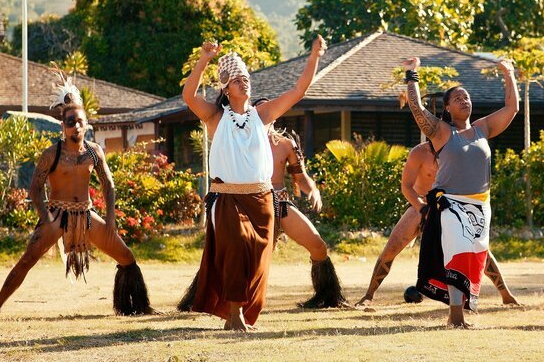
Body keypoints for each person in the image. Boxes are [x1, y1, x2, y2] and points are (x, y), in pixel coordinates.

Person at [181, 36, 325, 331]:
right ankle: (234, 317)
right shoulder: (215, 116)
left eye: (245, 78)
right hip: (227, 198)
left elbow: (300, 90)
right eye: (236, 79)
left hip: (262, 200)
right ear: (226, 87)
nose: (243, 82)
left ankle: (241, 314)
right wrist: (204, 59)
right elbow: (188, 96)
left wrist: (314, 56)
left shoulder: (262, 115)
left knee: (257, 261)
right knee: (236, 250)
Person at [0, 75, 153, 321]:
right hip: (57, 215)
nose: (76, 127)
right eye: (71, 122)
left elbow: (109, 185)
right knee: (27, 260)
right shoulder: (52, 154)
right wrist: (46, 218)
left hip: (86, 214)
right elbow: (35, 188)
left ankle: (136, 306)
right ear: (63, 125)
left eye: (80, 122)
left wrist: (111, 220)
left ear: (86, 123)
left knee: (127, 258)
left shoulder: (94, 152)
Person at [178, 97, 348, 311]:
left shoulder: (286, 144)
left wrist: (312, 190)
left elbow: (301, 177)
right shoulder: (237, 139)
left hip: (280, 202)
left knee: (318, 245)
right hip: (247, 201)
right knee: (232, 251)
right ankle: (204, 298)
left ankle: (327, 296)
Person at [403, 56, 519, 328]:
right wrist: (412, 74)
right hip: (451, 205)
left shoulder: (482, 128)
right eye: (457, 98)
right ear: (447, 107)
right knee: (456, 254)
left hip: (481, 204)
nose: (464, 101)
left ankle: (462, 307)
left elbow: (512, 108)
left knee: (475, 255)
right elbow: (416, 108)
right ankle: (456, 315)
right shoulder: (441, 131)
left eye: (466, 97)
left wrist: (509, 73)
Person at [355, 141, 520, 308]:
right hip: (420, 205)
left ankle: (506, 294)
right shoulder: (419, 152)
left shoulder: (459, 152)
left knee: (477, 248)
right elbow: (406, 187)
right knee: (391, 248)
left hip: (450, 206)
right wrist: (422, 208)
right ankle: (368, 295)